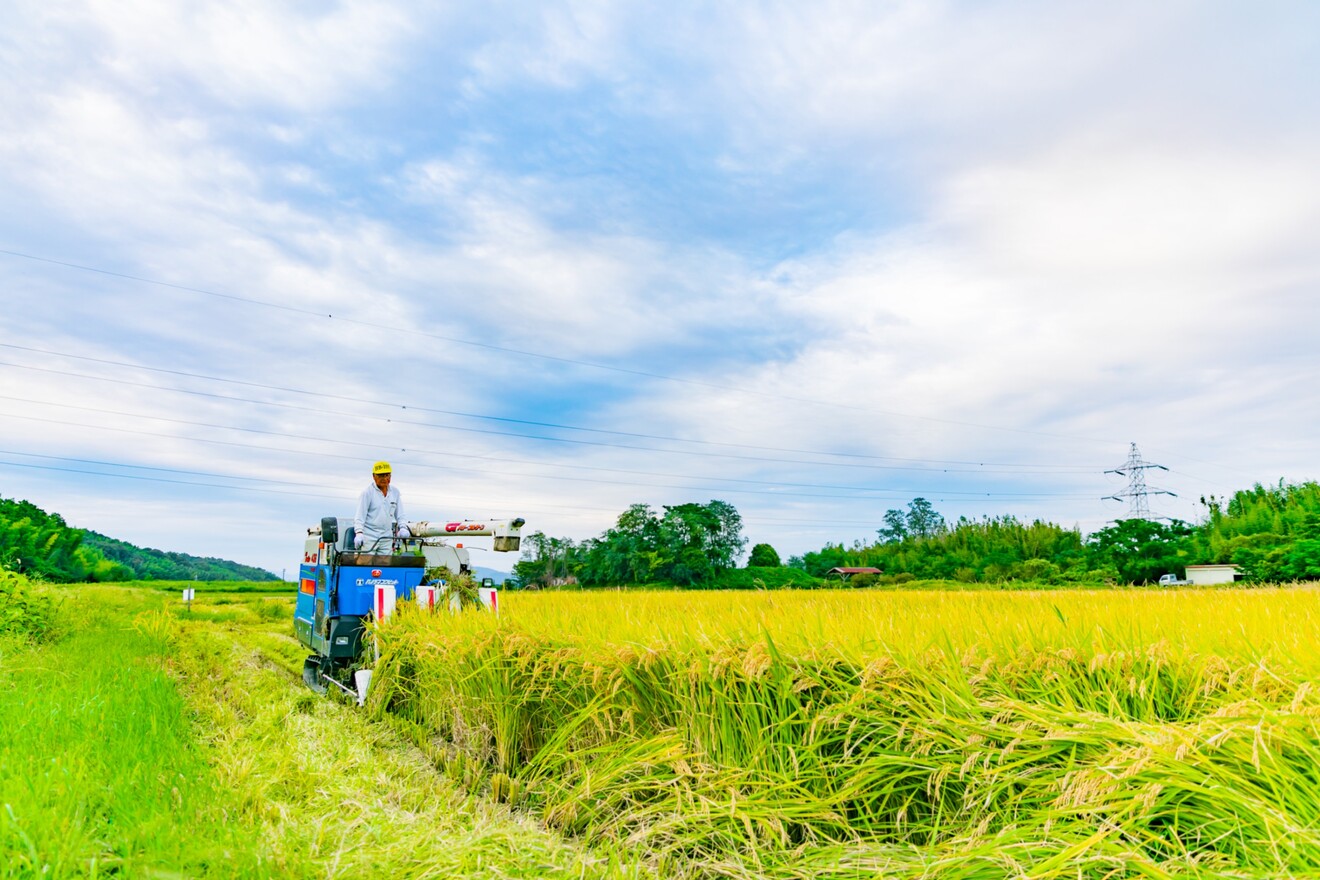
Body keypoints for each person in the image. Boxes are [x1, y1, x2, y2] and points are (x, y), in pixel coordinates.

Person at [354, 461, 410, 552]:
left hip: (386, 537)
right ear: (374, 476)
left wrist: (403, 527)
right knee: (365, 564)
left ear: (390, 476)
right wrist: (359, 533)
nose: (384, 478)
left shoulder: (395, 492)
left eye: (386, 475)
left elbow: (400, 514)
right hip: (369, 536)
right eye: (380, 475)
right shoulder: (367, 493)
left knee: (385, 564)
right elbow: (360, 516)